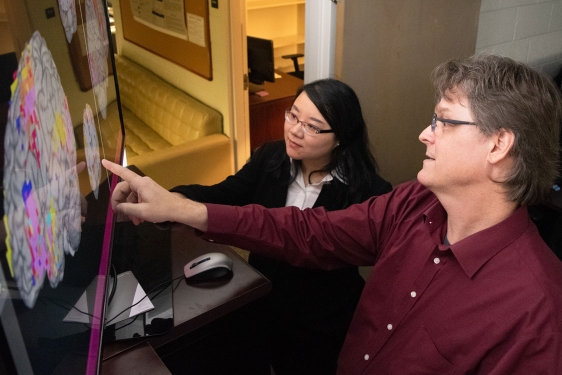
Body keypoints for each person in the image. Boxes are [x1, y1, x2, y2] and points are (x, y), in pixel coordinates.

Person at [102, 53, 562, 374]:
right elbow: (308, 232)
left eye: (443, 120)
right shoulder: (411, 204)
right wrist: (185, 208)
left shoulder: (537, 311)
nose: (425, 134)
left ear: (499, 144)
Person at [170, 78, 391, 374]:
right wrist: (173, 199)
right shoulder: (270, 156)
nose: (295, 131)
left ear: (341, 138)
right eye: (293, 115)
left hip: (318, 324)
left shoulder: (368, 193)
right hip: (260, 300)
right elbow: (226, 194)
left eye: (312, 127)